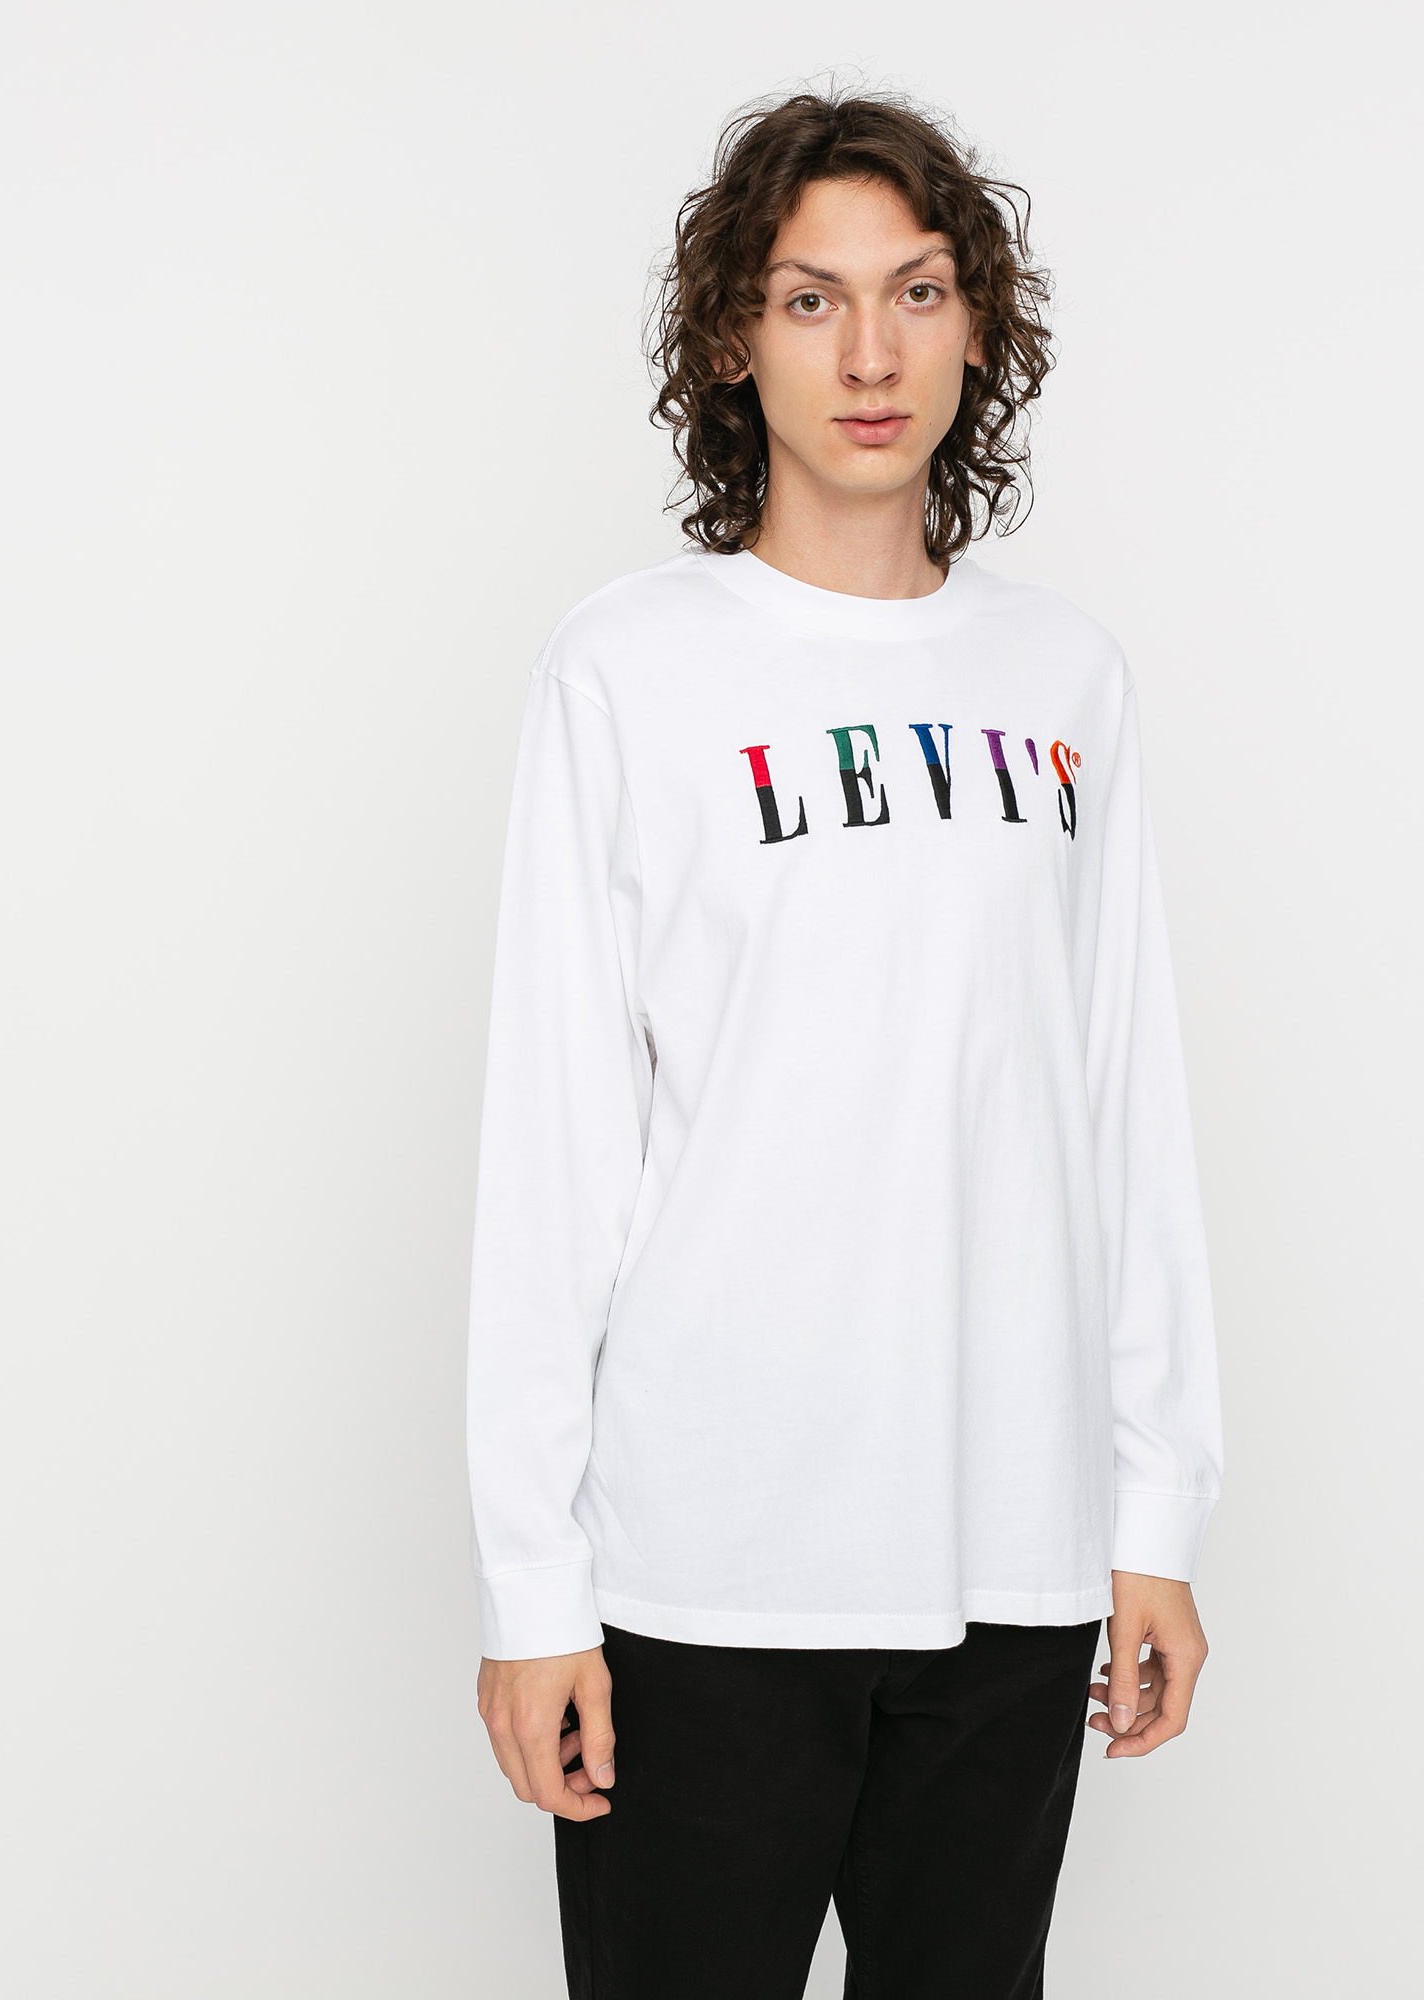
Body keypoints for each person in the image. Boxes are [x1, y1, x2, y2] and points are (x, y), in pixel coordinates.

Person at [465, 89, 1223, 1999]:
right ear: (736, 339)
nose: (871, 354)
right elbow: (556, 1147)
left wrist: (1155, 1512)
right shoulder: (627, 670)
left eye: (918, 292)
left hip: (1010, 1556)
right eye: (812, 300)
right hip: (705, 1566)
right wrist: (533, 1585)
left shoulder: (1068, 680)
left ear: (980, 327)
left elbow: (1122, 1110)